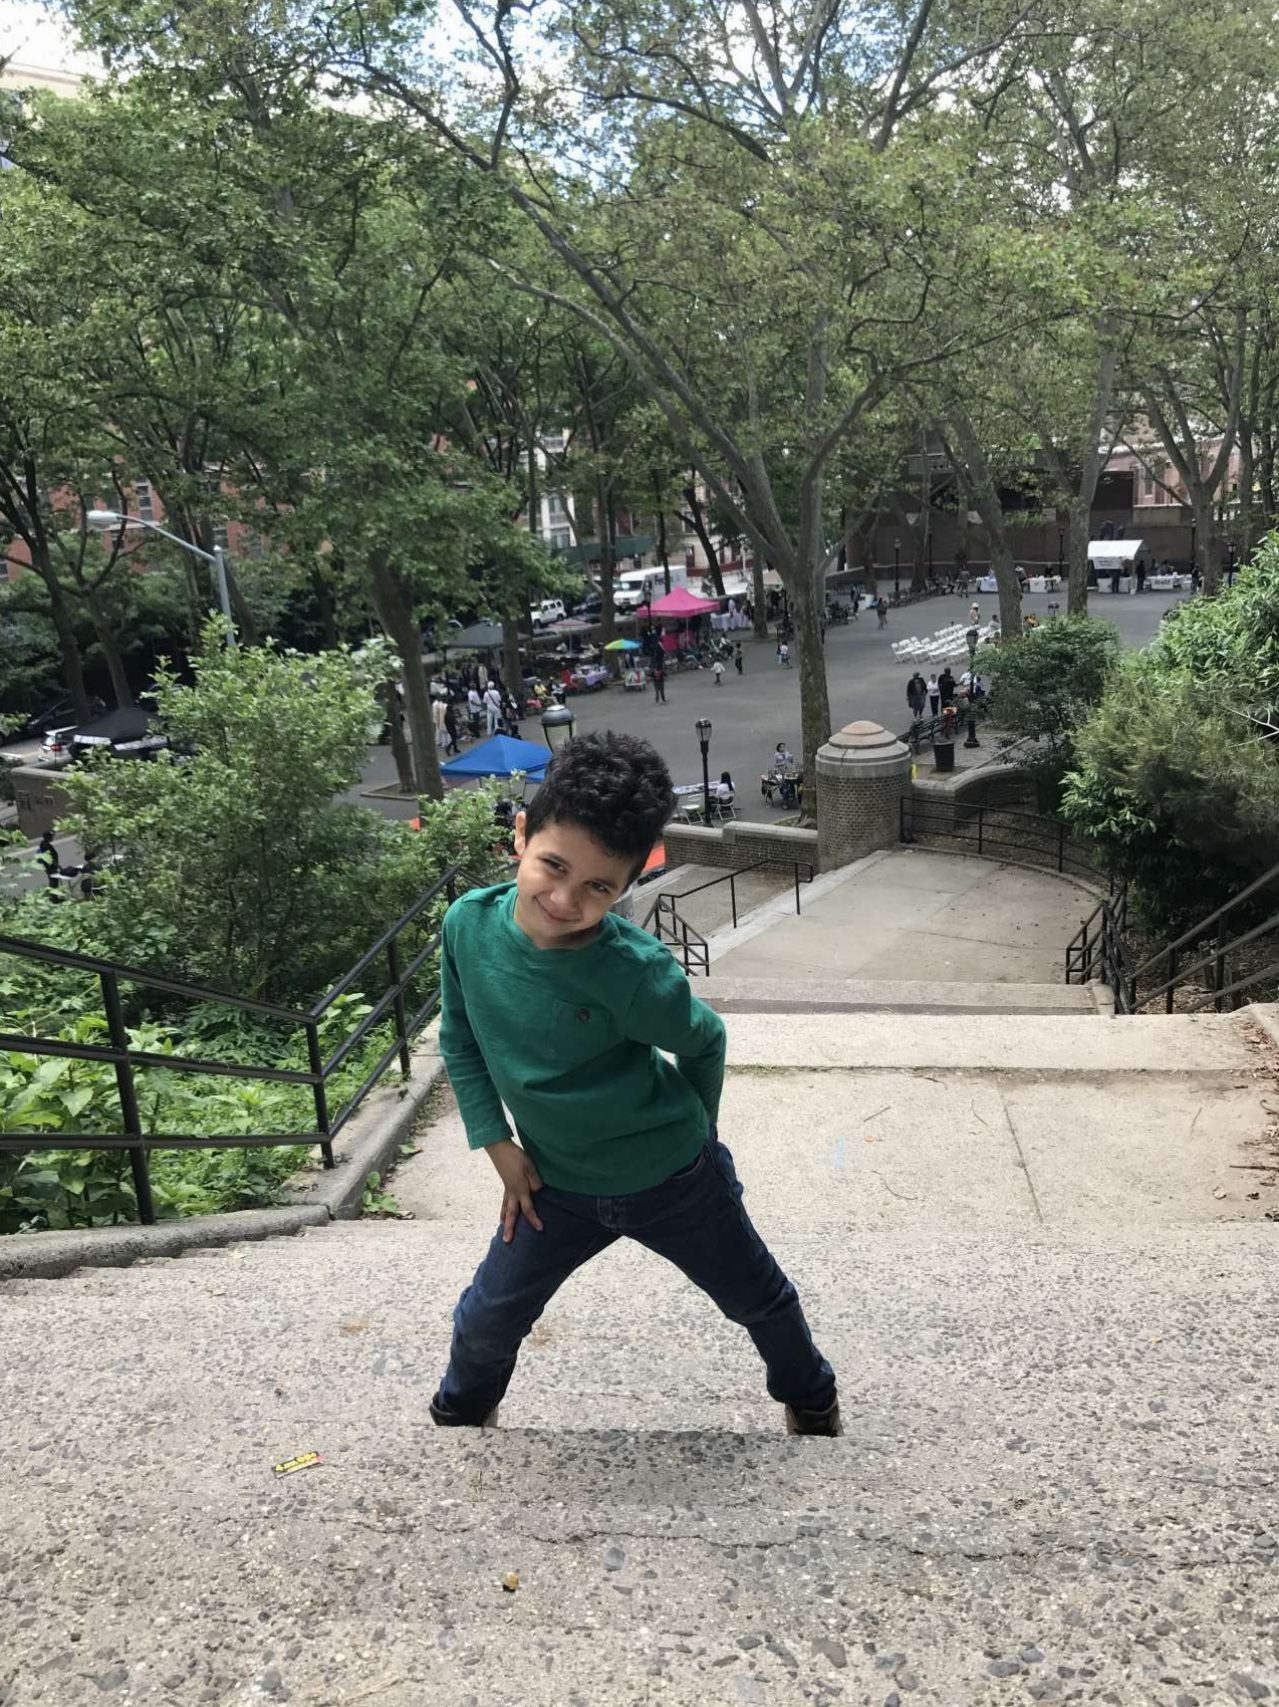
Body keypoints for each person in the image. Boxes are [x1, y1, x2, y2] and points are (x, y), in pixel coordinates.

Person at [429, 731, 840, 1435]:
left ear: (627, 884)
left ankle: (812, 1398)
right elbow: (458, 1037)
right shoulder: (467, 927)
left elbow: (704, 1039)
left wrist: (700, 1139)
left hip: (673, 1178)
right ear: (520, 835)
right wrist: (496, 1141)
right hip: (551, 1188)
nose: (564, 898)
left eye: (598, 886)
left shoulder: (633, 970)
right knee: (487, 1313)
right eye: (552, 865)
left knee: (755, 1298)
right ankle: (459, 1418)